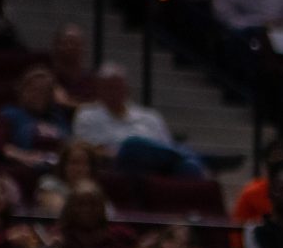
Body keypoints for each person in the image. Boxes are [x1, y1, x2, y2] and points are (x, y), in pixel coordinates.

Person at [72, 64, 205, 178]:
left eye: (118, 86)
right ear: (99, 89)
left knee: (188, 166)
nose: (114, 92)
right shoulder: (87, 115)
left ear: (126, 88)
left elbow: (166, 147)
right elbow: (85, 150)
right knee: (132, 144)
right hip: (119, 165)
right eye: (109, 87)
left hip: (157, 168)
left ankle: (189, 160)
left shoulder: (150, 117)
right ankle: (187, 156)